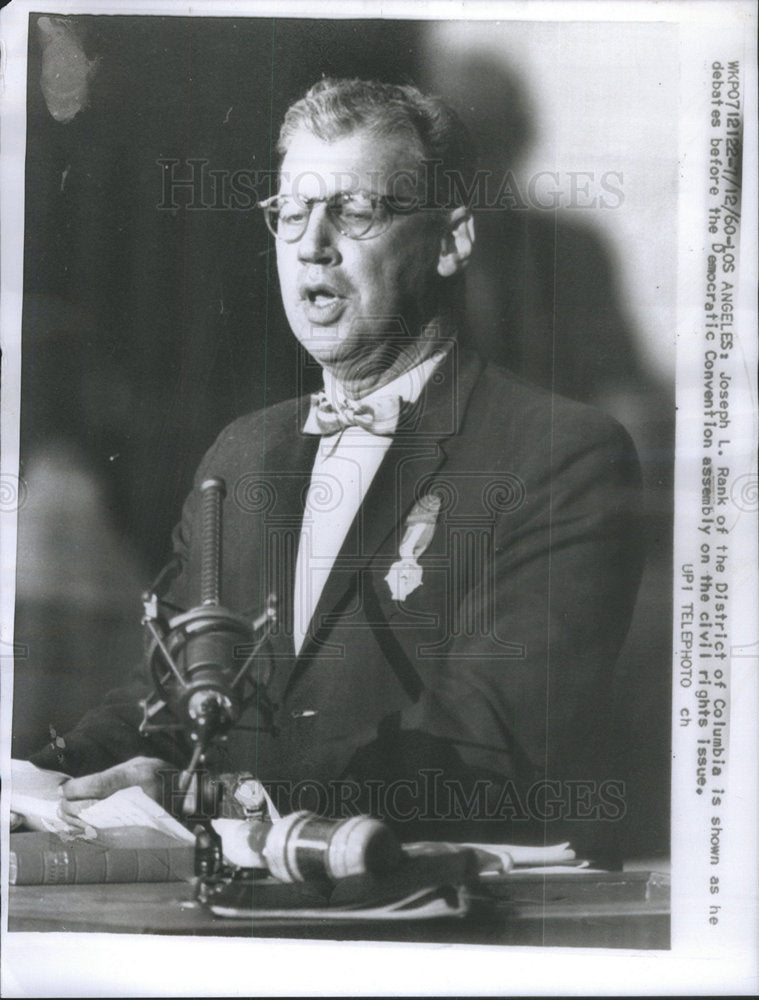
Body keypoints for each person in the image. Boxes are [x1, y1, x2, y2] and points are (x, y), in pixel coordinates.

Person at [29, 78, 645, 861]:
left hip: (436, 922)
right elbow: (172, 696)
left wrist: (223, 796)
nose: (310, 243)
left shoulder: (562, 454)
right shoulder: (242, 454)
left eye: (352, 211)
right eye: (290, 212)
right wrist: (43, 779)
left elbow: (485, 740)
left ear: (451, 240)